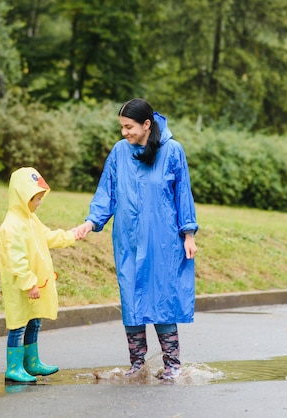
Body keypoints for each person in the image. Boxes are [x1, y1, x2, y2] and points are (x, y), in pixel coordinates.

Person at [74, 98, 198, 380]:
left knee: (162, 298)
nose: (124, 133)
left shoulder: (172, 151)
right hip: (127, 239)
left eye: (128, 127)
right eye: (121, 127)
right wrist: (91, 222)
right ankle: (138, 365)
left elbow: (183, 195)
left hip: (163, 240)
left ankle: (172, 366)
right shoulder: (119, 152)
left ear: (146, 125)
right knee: (131, 298)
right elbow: (107, 191)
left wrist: (188, 234)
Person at [0, 167, 80, 384]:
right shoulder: (12, 226)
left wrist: (71, 235)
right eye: (36, 198)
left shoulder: (30, 220)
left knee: (34, 321)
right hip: (21, 286)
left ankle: (31, 362)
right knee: (18, 325)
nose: (40, 202)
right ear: (22, 197)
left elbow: (48, 237)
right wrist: (29, 283)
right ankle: (14, 367)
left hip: (35, 285)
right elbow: (16, 261)